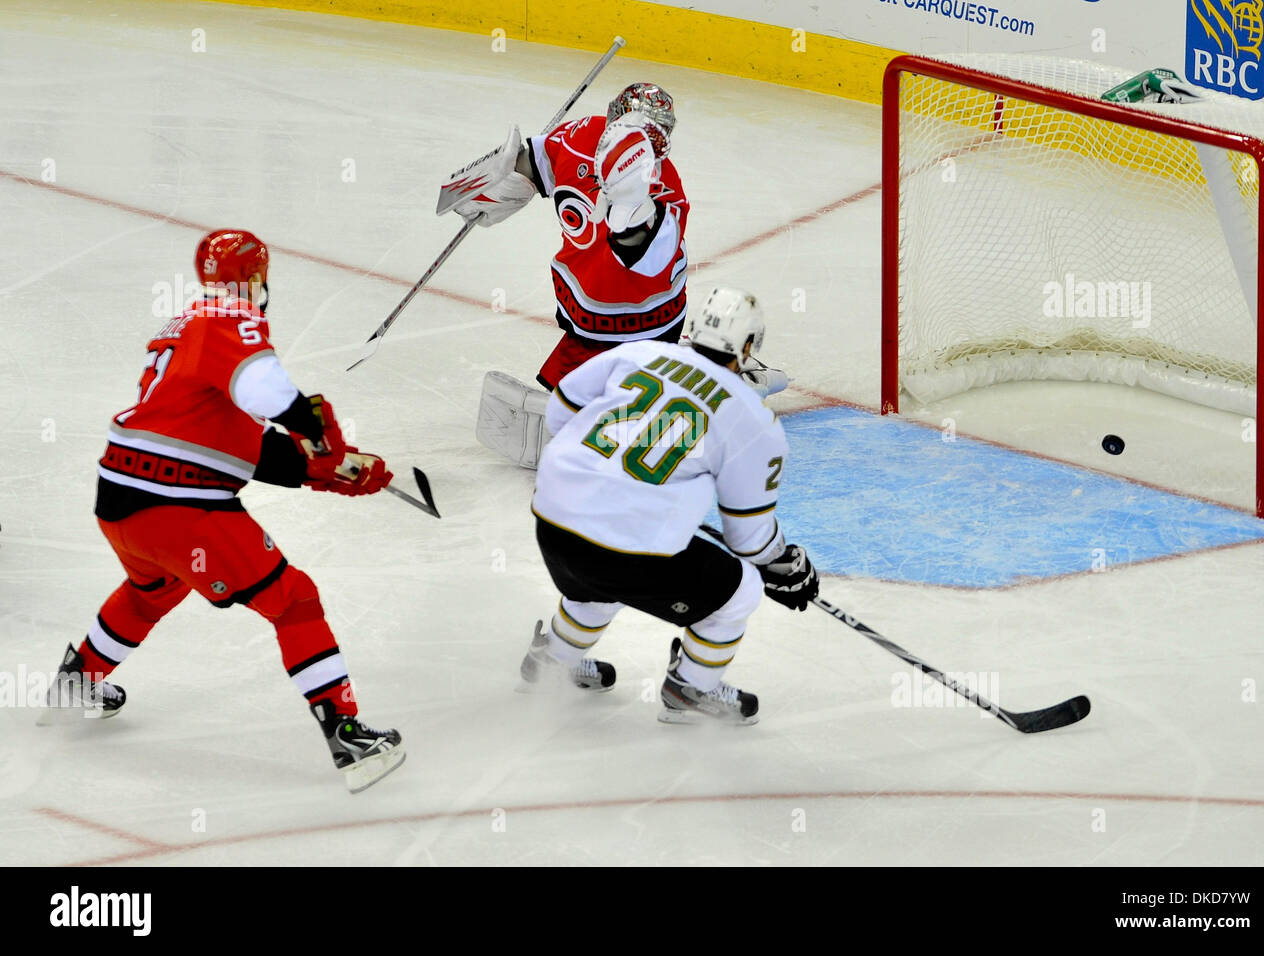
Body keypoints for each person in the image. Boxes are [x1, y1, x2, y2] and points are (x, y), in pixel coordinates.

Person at [40, 229, 406, 793]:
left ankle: (76, 683)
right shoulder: (231, 315)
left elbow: (224, 436)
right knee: (295, 600)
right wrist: (313, 430)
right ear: (258, 277)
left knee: (151, 591)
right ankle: (348, 734)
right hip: (177, 504)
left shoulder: (182, 327)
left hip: (120, 497)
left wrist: (323, 469)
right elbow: (264, 389)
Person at [440, 84, 788, 467]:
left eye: (653, 135)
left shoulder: (667, 191)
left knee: (648, 407)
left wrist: (631, 203)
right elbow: (533, 162)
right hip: (585, 316)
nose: (644, 143)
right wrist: (498, 186)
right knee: (562, 404)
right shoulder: (577, 137)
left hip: (647, 323)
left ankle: (725, 379)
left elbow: (644, 257)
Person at [520, 287, 818, 723]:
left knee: (598, 579)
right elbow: (749, 538)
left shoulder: (639, 352)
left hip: (552, 517)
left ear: (695, 330)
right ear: (749, 346)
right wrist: (783, 563)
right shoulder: (753, 418)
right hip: (623, 548)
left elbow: (561, 408)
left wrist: (598, 475)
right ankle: (692, 689)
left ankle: (553, 661)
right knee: (739, 591)